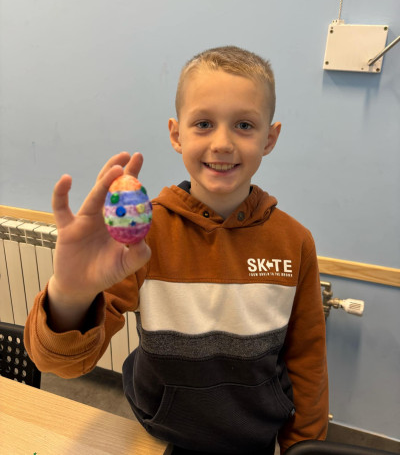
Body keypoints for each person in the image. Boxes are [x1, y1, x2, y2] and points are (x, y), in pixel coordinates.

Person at [25, 46, 328, 454]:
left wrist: (304, 448)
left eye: (243, 125)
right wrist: (70, 294)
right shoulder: (144, 235)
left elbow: (308, 360)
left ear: (269, 138)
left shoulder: (295, 241)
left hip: (253, 437)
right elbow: (60, 363)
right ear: (176, 134)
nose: (222, 143)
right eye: (203, 124)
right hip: (160, 434)